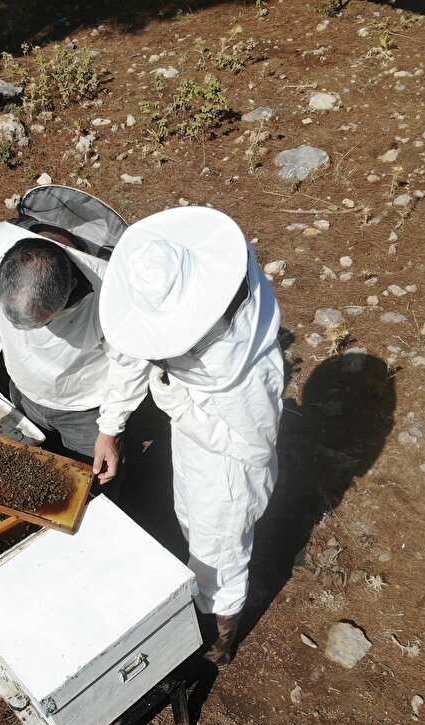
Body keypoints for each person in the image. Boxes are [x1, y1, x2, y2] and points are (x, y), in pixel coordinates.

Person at [99, 207, 285, 668]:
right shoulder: (182, 298)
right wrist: (109, 426)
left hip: (228, 477)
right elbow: (133, 354)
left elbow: (253, 449)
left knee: (220, 561)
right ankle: (202, 606)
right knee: (193, 531)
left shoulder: (245, 373)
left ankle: (218, 645)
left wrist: (179, 407)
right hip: (195, 453)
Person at [0, 192, 147, 486]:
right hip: (23, 393)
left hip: (86, 411)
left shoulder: (117, 294)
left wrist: (108, 430)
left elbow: (130, 364)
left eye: (45, 322)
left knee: (90, 487)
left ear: (72, 287)